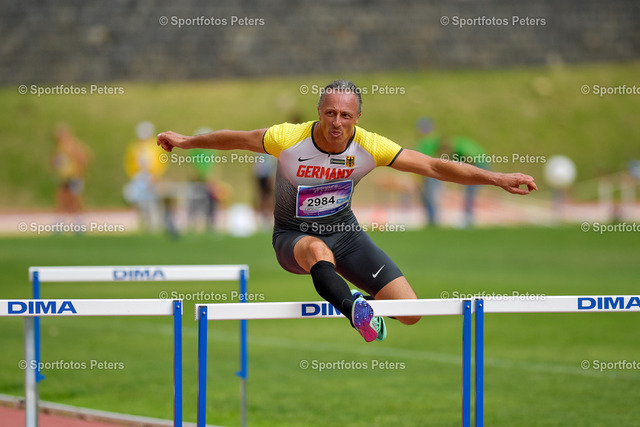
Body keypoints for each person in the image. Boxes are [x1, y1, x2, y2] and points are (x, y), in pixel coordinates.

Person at [157, 79, 537, 342]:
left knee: (410, 312)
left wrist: (497, 177)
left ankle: (354, 303)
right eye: (330, 113)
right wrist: (186, 141)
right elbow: (236, 139)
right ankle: (354, 309)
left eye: (346, 116)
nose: (337, 123)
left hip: (346, 235)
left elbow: (434, 167)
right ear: (318, 112)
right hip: (293, 236)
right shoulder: (288, 138)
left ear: (357, 119)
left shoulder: (370, 146)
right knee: (316, 250)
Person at [51, 123, 91, 224]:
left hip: (74, 177)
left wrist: (80, 172)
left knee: (75, 201)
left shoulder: (73, 146)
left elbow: (83, 159)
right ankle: (59, 223)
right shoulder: (60, 147)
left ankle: (78, 223)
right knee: (62, 201)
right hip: (64, 177)